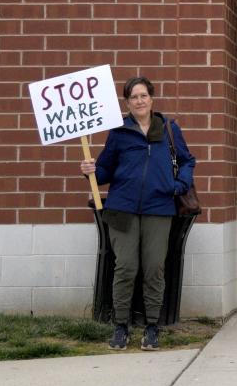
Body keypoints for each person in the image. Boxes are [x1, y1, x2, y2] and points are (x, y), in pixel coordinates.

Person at [80, 76, 196, 351]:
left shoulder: (169, 128)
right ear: (127, 102)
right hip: (123, 209)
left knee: (155, 267)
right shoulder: (119, 132)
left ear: (152, 99)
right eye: (134, 97)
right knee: (126, 267)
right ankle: (121, 326)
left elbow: (187, 160)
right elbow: (106, 170)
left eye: (143, 95)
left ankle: (152, 327)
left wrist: (177, 186)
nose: (139, 101)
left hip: (159, 208)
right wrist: (91, 170)